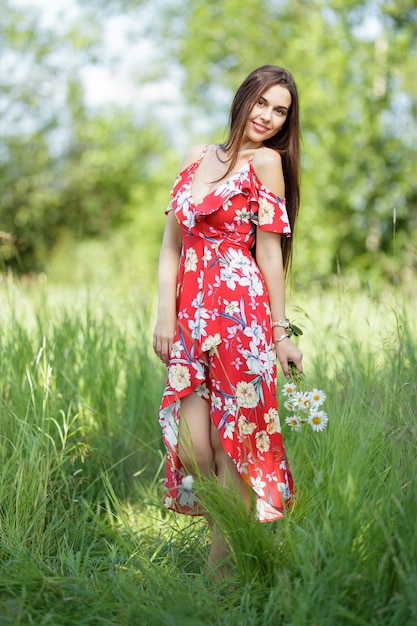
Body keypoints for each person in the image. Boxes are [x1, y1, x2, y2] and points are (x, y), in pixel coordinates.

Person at [153, 64, 303, 574]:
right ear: (243, 99)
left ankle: (220, 576)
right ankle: (229, 556)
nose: (268, 116)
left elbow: (268, 256)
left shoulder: (266, 164)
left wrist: (282, 334)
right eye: (262, 102)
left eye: (280, 110)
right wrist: (164, 316)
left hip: (242, 317)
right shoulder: (196, 156)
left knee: (230, 445)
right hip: (190, 316)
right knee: (196, 450)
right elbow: (171, 245)